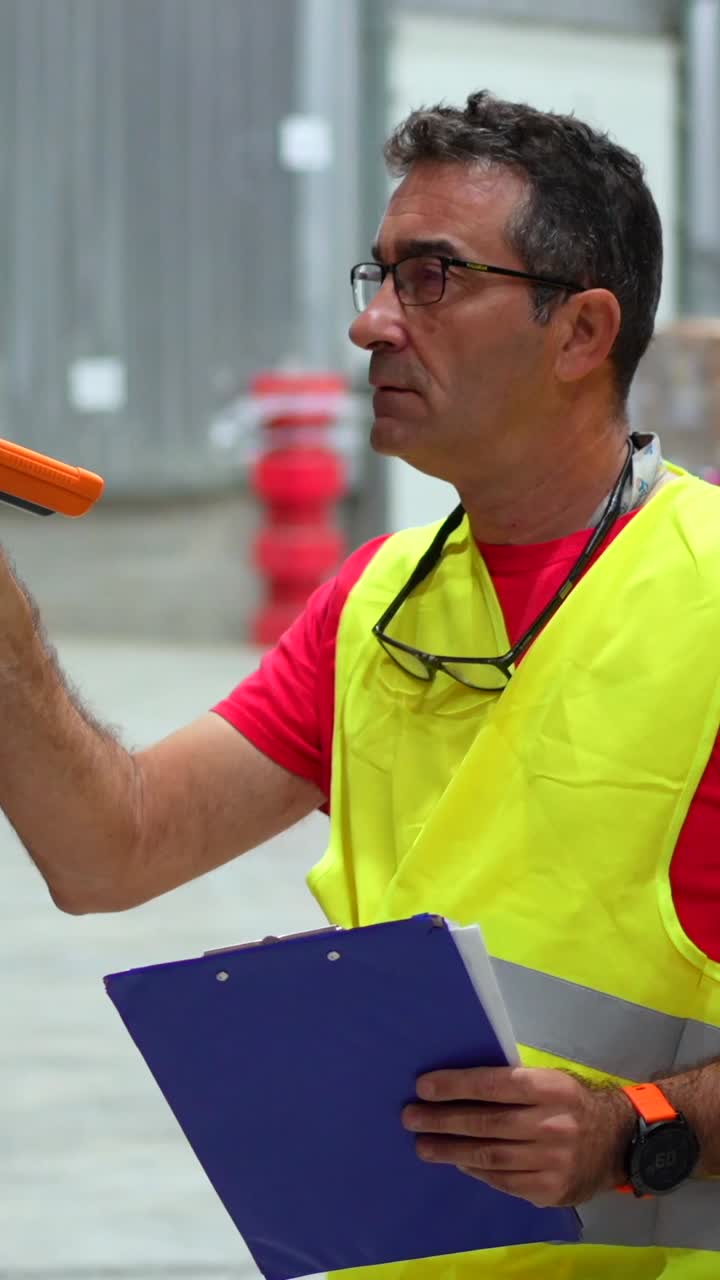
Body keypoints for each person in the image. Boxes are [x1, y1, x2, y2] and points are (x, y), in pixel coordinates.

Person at [3, 89, 720, 1278]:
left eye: (432, 277)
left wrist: (636, 1127)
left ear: (582, 331)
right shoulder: (379, 603)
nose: (372, 323)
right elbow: (110, 848)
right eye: (380, 276)